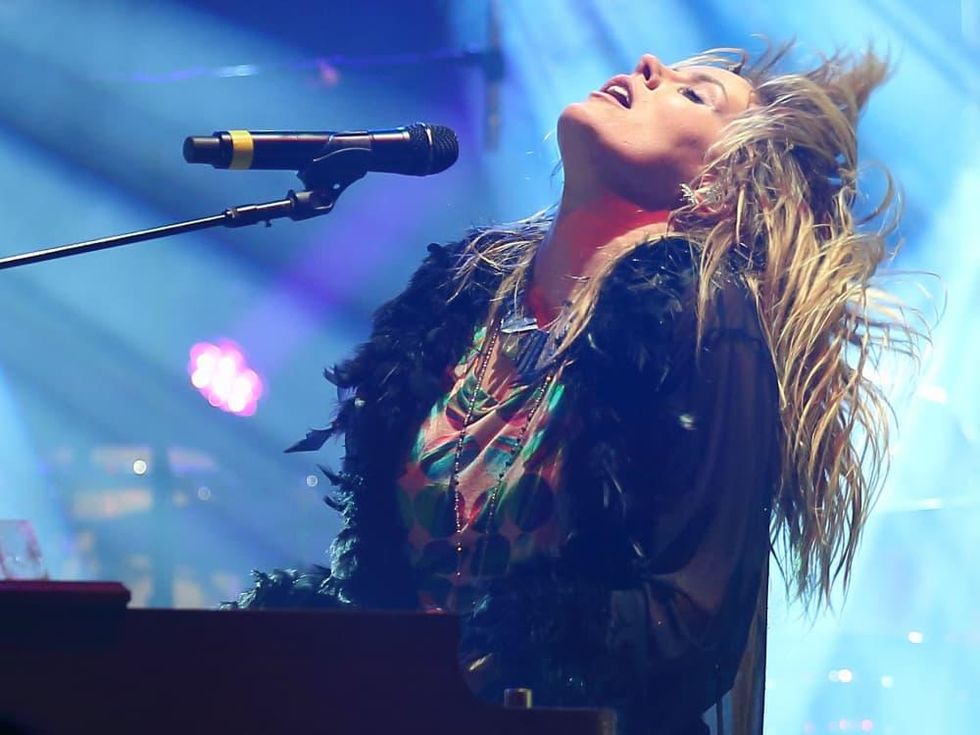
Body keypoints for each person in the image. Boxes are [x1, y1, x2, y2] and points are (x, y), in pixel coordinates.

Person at [229, 43, 921, 735]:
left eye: (694, 94)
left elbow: (691, 618)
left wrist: (511, 660)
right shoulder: (456, 302)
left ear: (721, 189)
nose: (649, 65)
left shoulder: (707, 320)